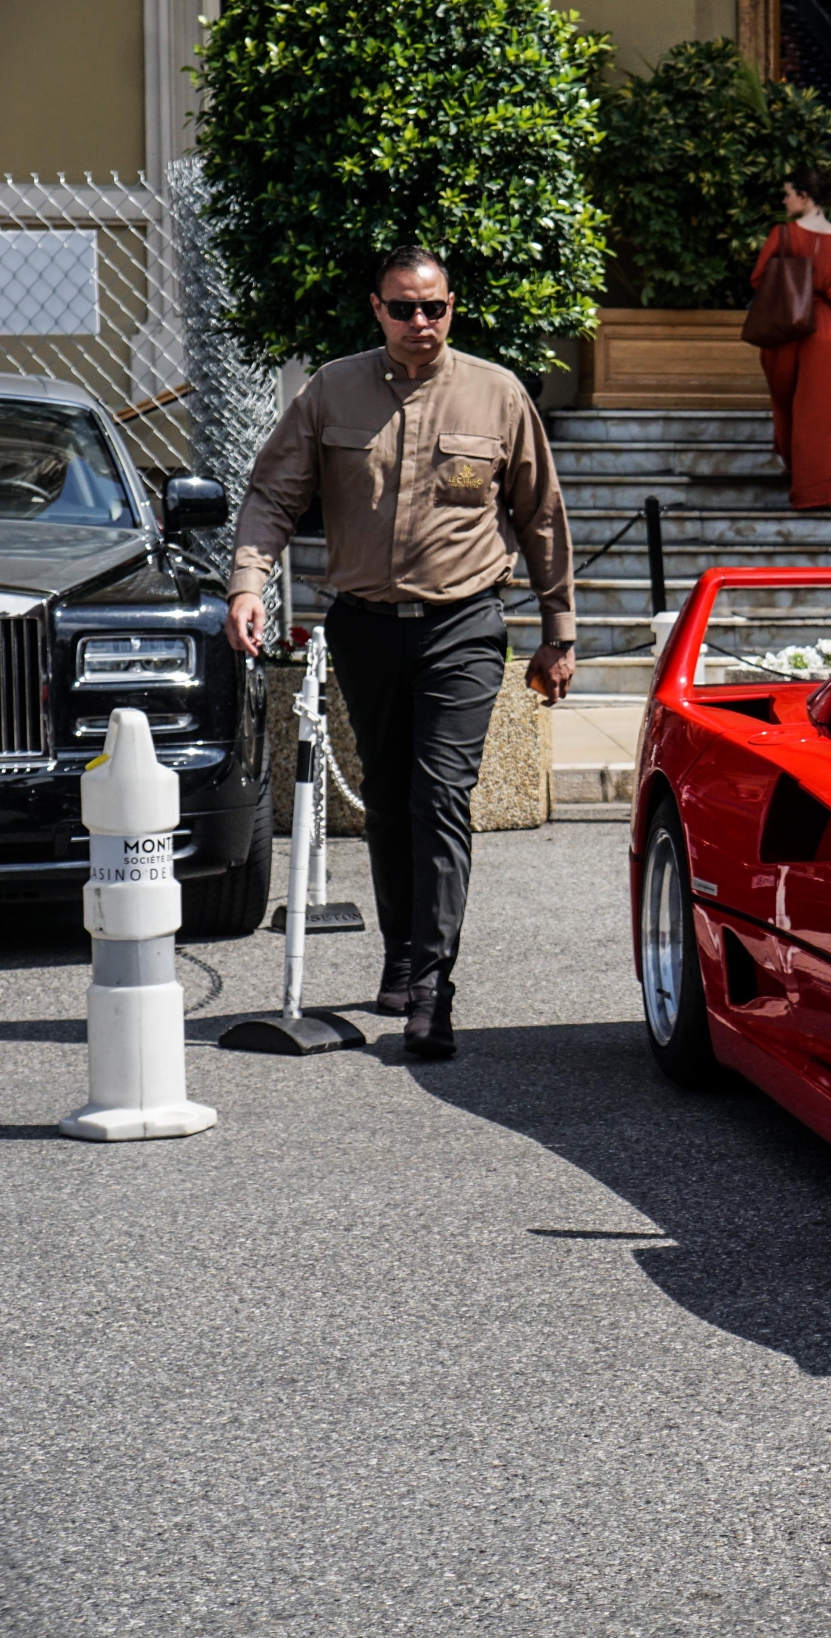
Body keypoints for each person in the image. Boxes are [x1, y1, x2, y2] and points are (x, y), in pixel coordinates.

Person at [223, 247, 574, 1060]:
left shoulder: (497, 392)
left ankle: (432, 987)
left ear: (453, 306)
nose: (422, 323)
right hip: (365, 625)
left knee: (440, 794)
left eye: (436, 308)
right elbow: (274, 492)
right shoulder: (330, 391)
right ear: (375, 308)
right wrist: (248, 582)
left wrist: (560, 633)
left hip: (464, 624)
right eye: (405, 309)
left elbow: (541, 515)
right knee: (385, 791)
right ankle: (401, 951)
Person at [751, 168, 831, 509]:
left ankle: (789, 460)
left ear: (804, 196)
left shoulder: (782, 234)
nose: (783, 200)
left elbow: (758, 279)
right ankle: (818, 492)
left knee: (785, 402)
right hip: (825, 330)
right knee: (820, 413)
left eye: (787, 194)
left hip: (785, 326)